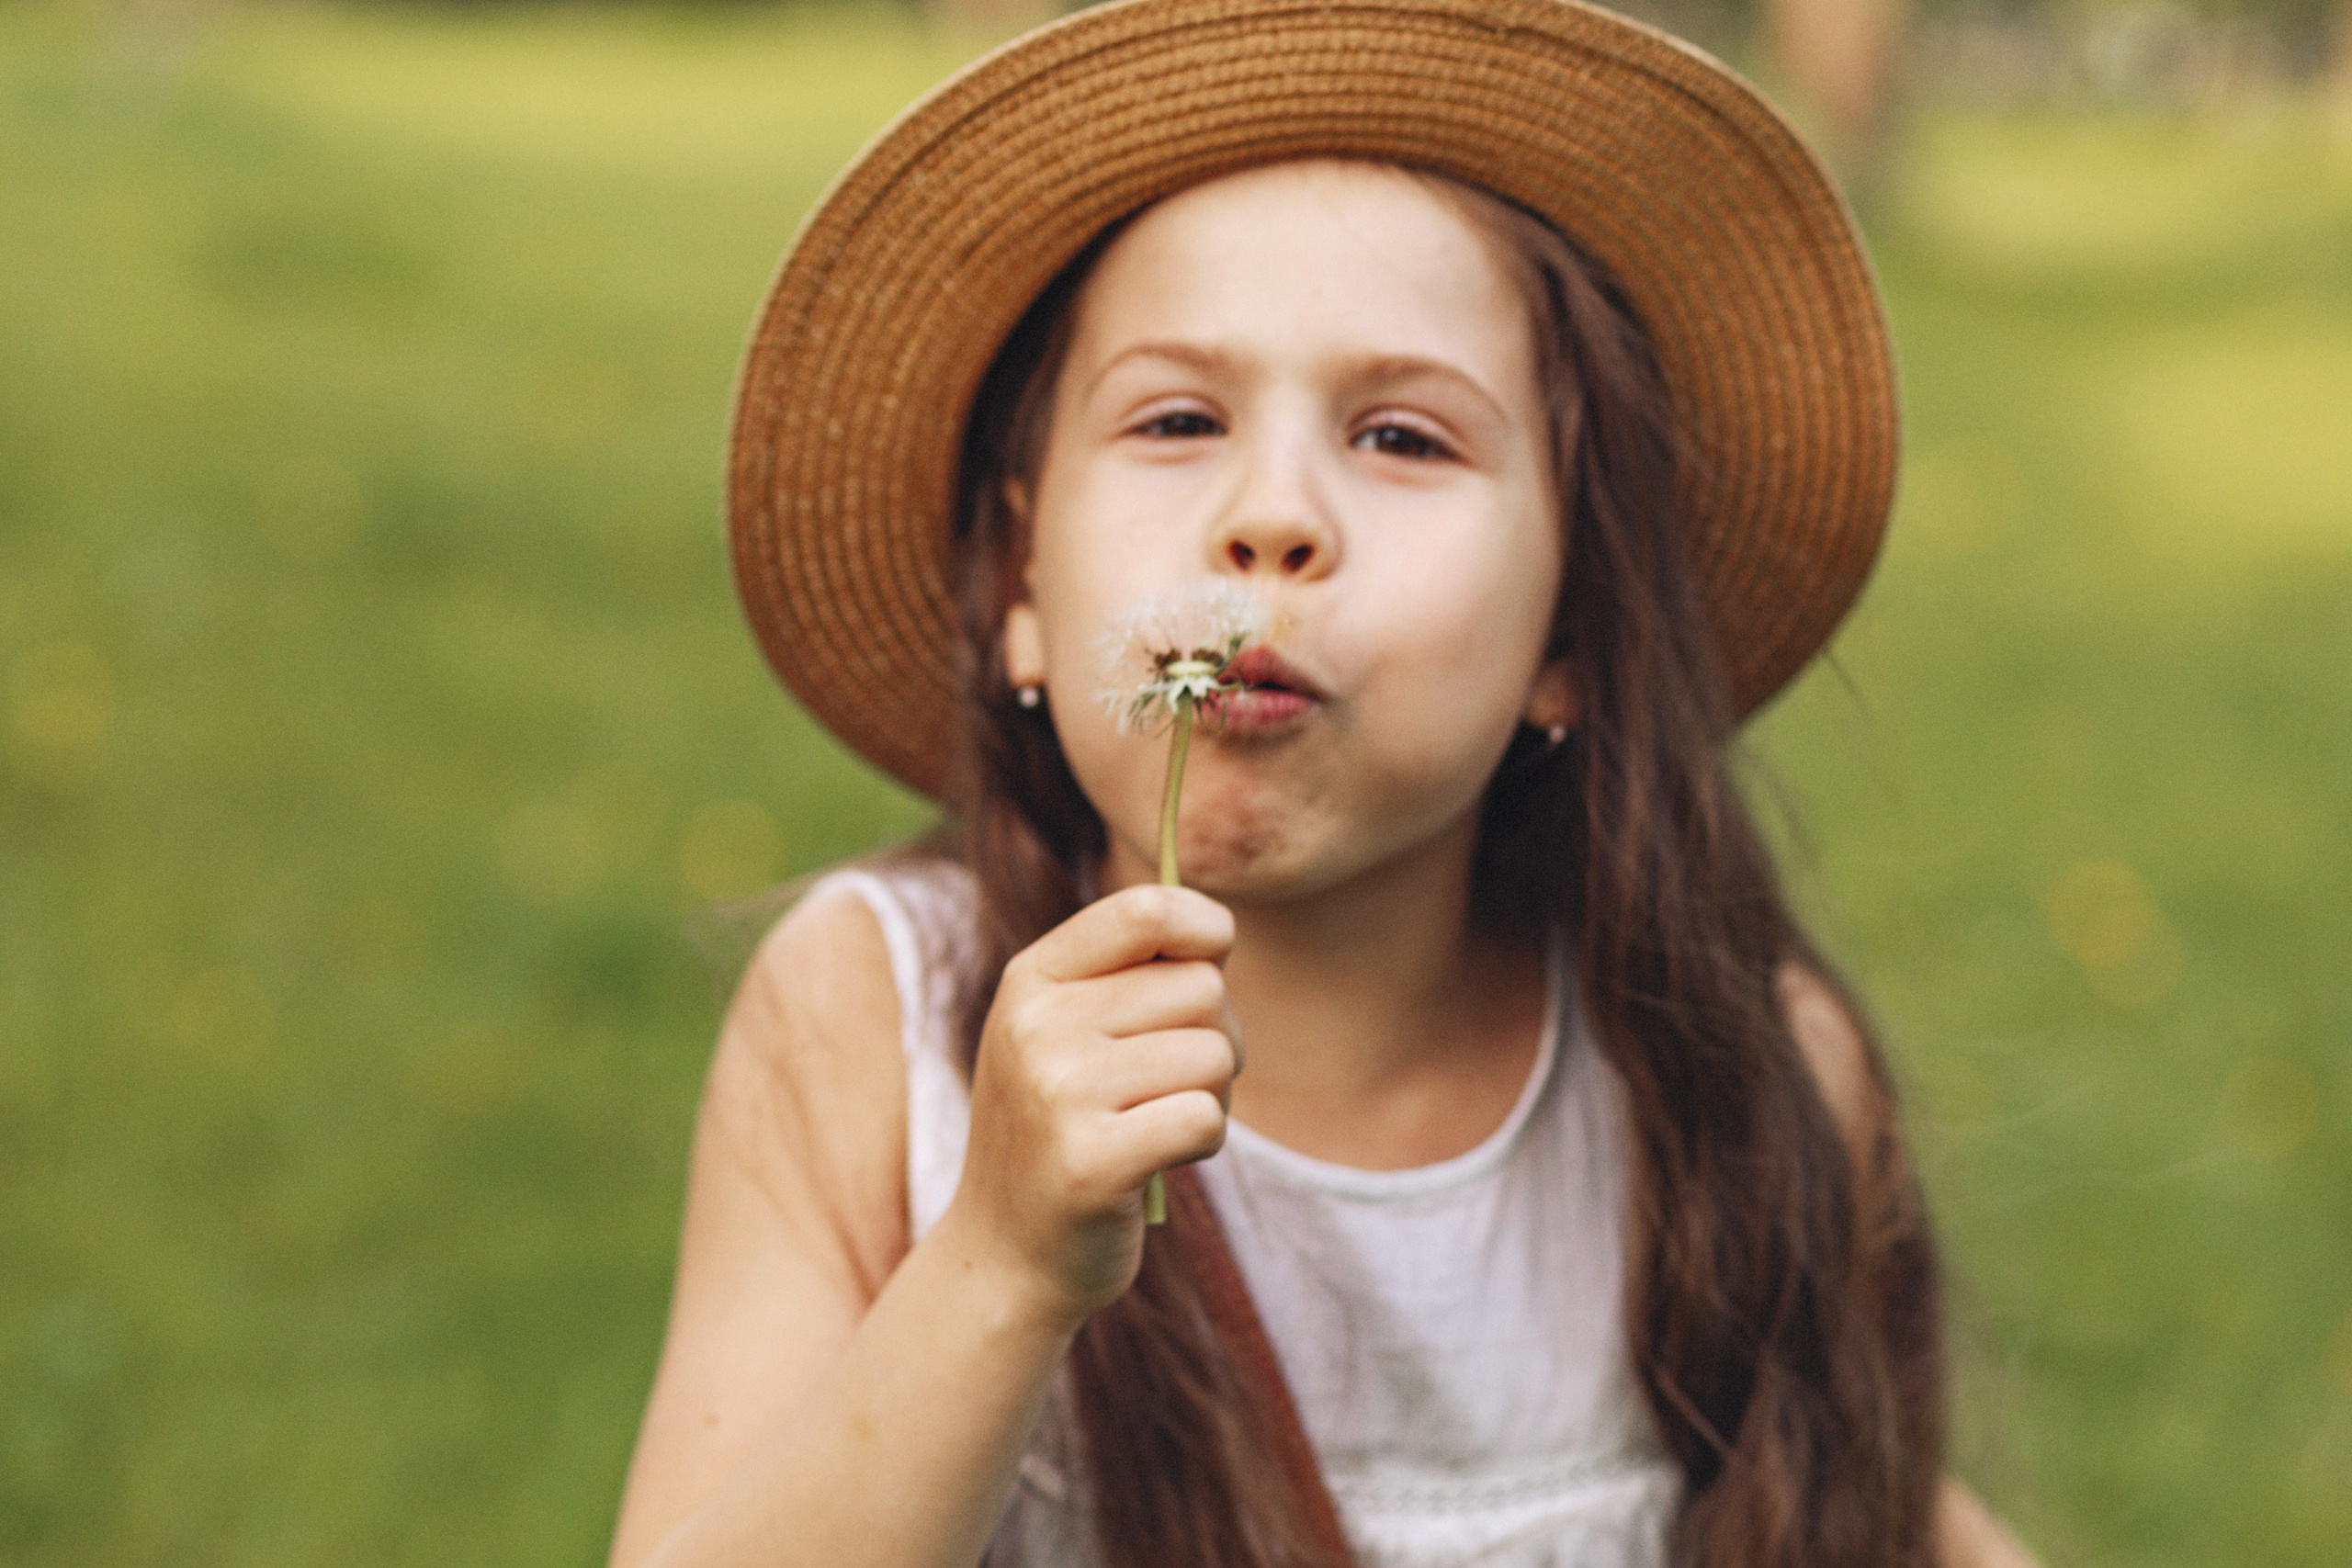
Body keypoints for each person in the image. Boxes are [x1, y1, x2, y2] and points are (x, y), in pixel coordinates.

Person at [610, 1, 2042, 1563]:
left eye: (1404, 438)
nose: (1273, 517)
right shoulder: (869, 1024)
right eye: (1176, 419)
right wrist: (1000, 1266)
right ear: (1019, 575)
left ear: (1571, 632)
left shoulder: (1733, 1084)